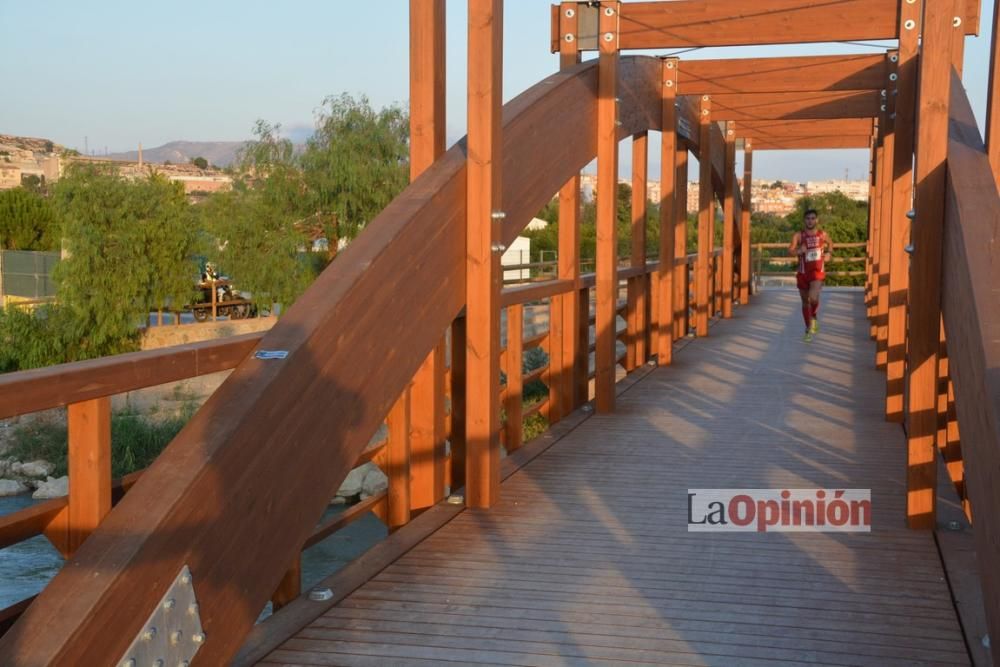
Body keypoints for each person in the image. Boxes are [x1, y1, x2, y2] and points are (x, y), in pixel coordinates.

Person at [789, 208, 832, 342]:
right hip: (802, 272)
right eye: (808, 218)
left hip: (817, 271)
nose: (810, 221)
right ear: (804, 220)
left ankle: (814, 315)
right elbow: (790, 250)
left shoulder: (822, 234)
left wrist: (829, 253)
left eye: (813, 218)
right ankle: (808, 327)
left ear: (817, 220)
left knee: (813, 297)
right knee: (804, 301)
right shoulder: (798, 236)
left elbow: (831, 243)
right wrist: (798, 251)